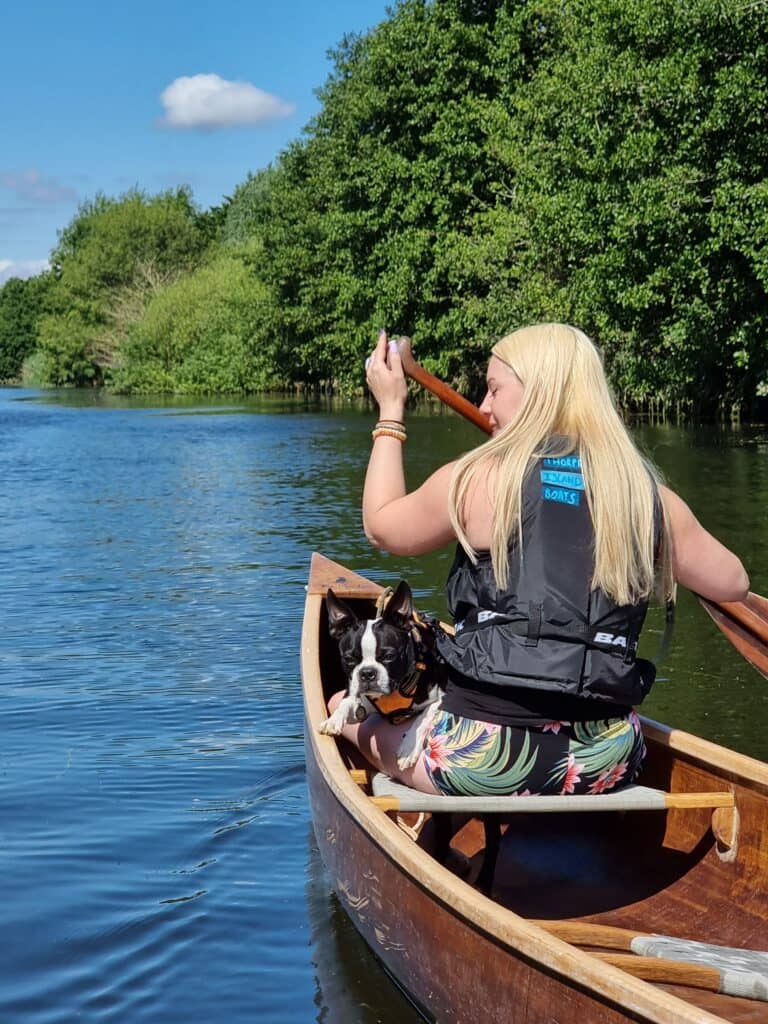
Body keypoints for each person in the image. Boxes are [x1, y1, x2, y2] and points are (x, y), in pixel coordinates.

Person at [328, 324, 749, 798]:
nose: (484, 406)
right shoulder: (644, 496)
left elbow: (380, 525)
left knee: (341, 701)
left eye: (493, 389)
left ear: (538, 394)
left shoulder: (479, 479)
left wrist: (390, 409)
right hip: (607, 757)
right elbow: (733, 582)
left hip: (486, 756)